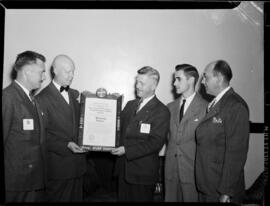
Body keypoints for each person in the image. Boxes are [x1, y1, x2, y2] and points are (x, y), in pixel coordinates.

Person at [111, 66, 170, 202]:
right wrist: (112, 104)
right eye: (137, 81)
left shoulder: (161, 111)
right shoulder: (130, 105)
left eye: (141, 83)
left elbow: (155, 143)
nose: (137, 86)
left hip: (142, 175)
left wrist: (127, 150)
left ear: (154, 85)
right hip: (123, 171)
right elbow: (117, 128)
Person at [195, 60, 250, 204]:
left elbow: (236, 153)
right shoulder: (215, 104)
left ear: (219, 78)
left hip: (221, 189)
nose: (202, 82)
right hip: (208, 184)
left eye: (206, 77)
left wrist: (226, 191)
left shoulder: (235, 105)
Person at [36, 55, 87, 202]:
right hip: (59, 169)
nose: (71, 76)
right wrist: (66, 145)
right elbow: (42, 135)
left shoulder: (74, 94)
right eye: (67, 71)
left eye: (73, 71)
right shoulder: (42, 98)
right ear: (55, 71)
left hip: (78, 167)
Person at [2, 50, 47, 202]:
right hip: (15, 184)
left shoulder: (32, 99)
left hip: (32, 180)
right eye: (42, 72)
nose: (44, 77)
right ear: (27, 71)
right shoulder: (7, 98)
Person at [164, 64, 208, 202]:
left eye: (178, 79)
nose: (174, 83)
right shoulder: (169, 108)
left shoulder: (206, 108)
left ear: (191, 80)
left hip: (193, 172)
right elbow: (169, 137)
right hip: (171, 170)